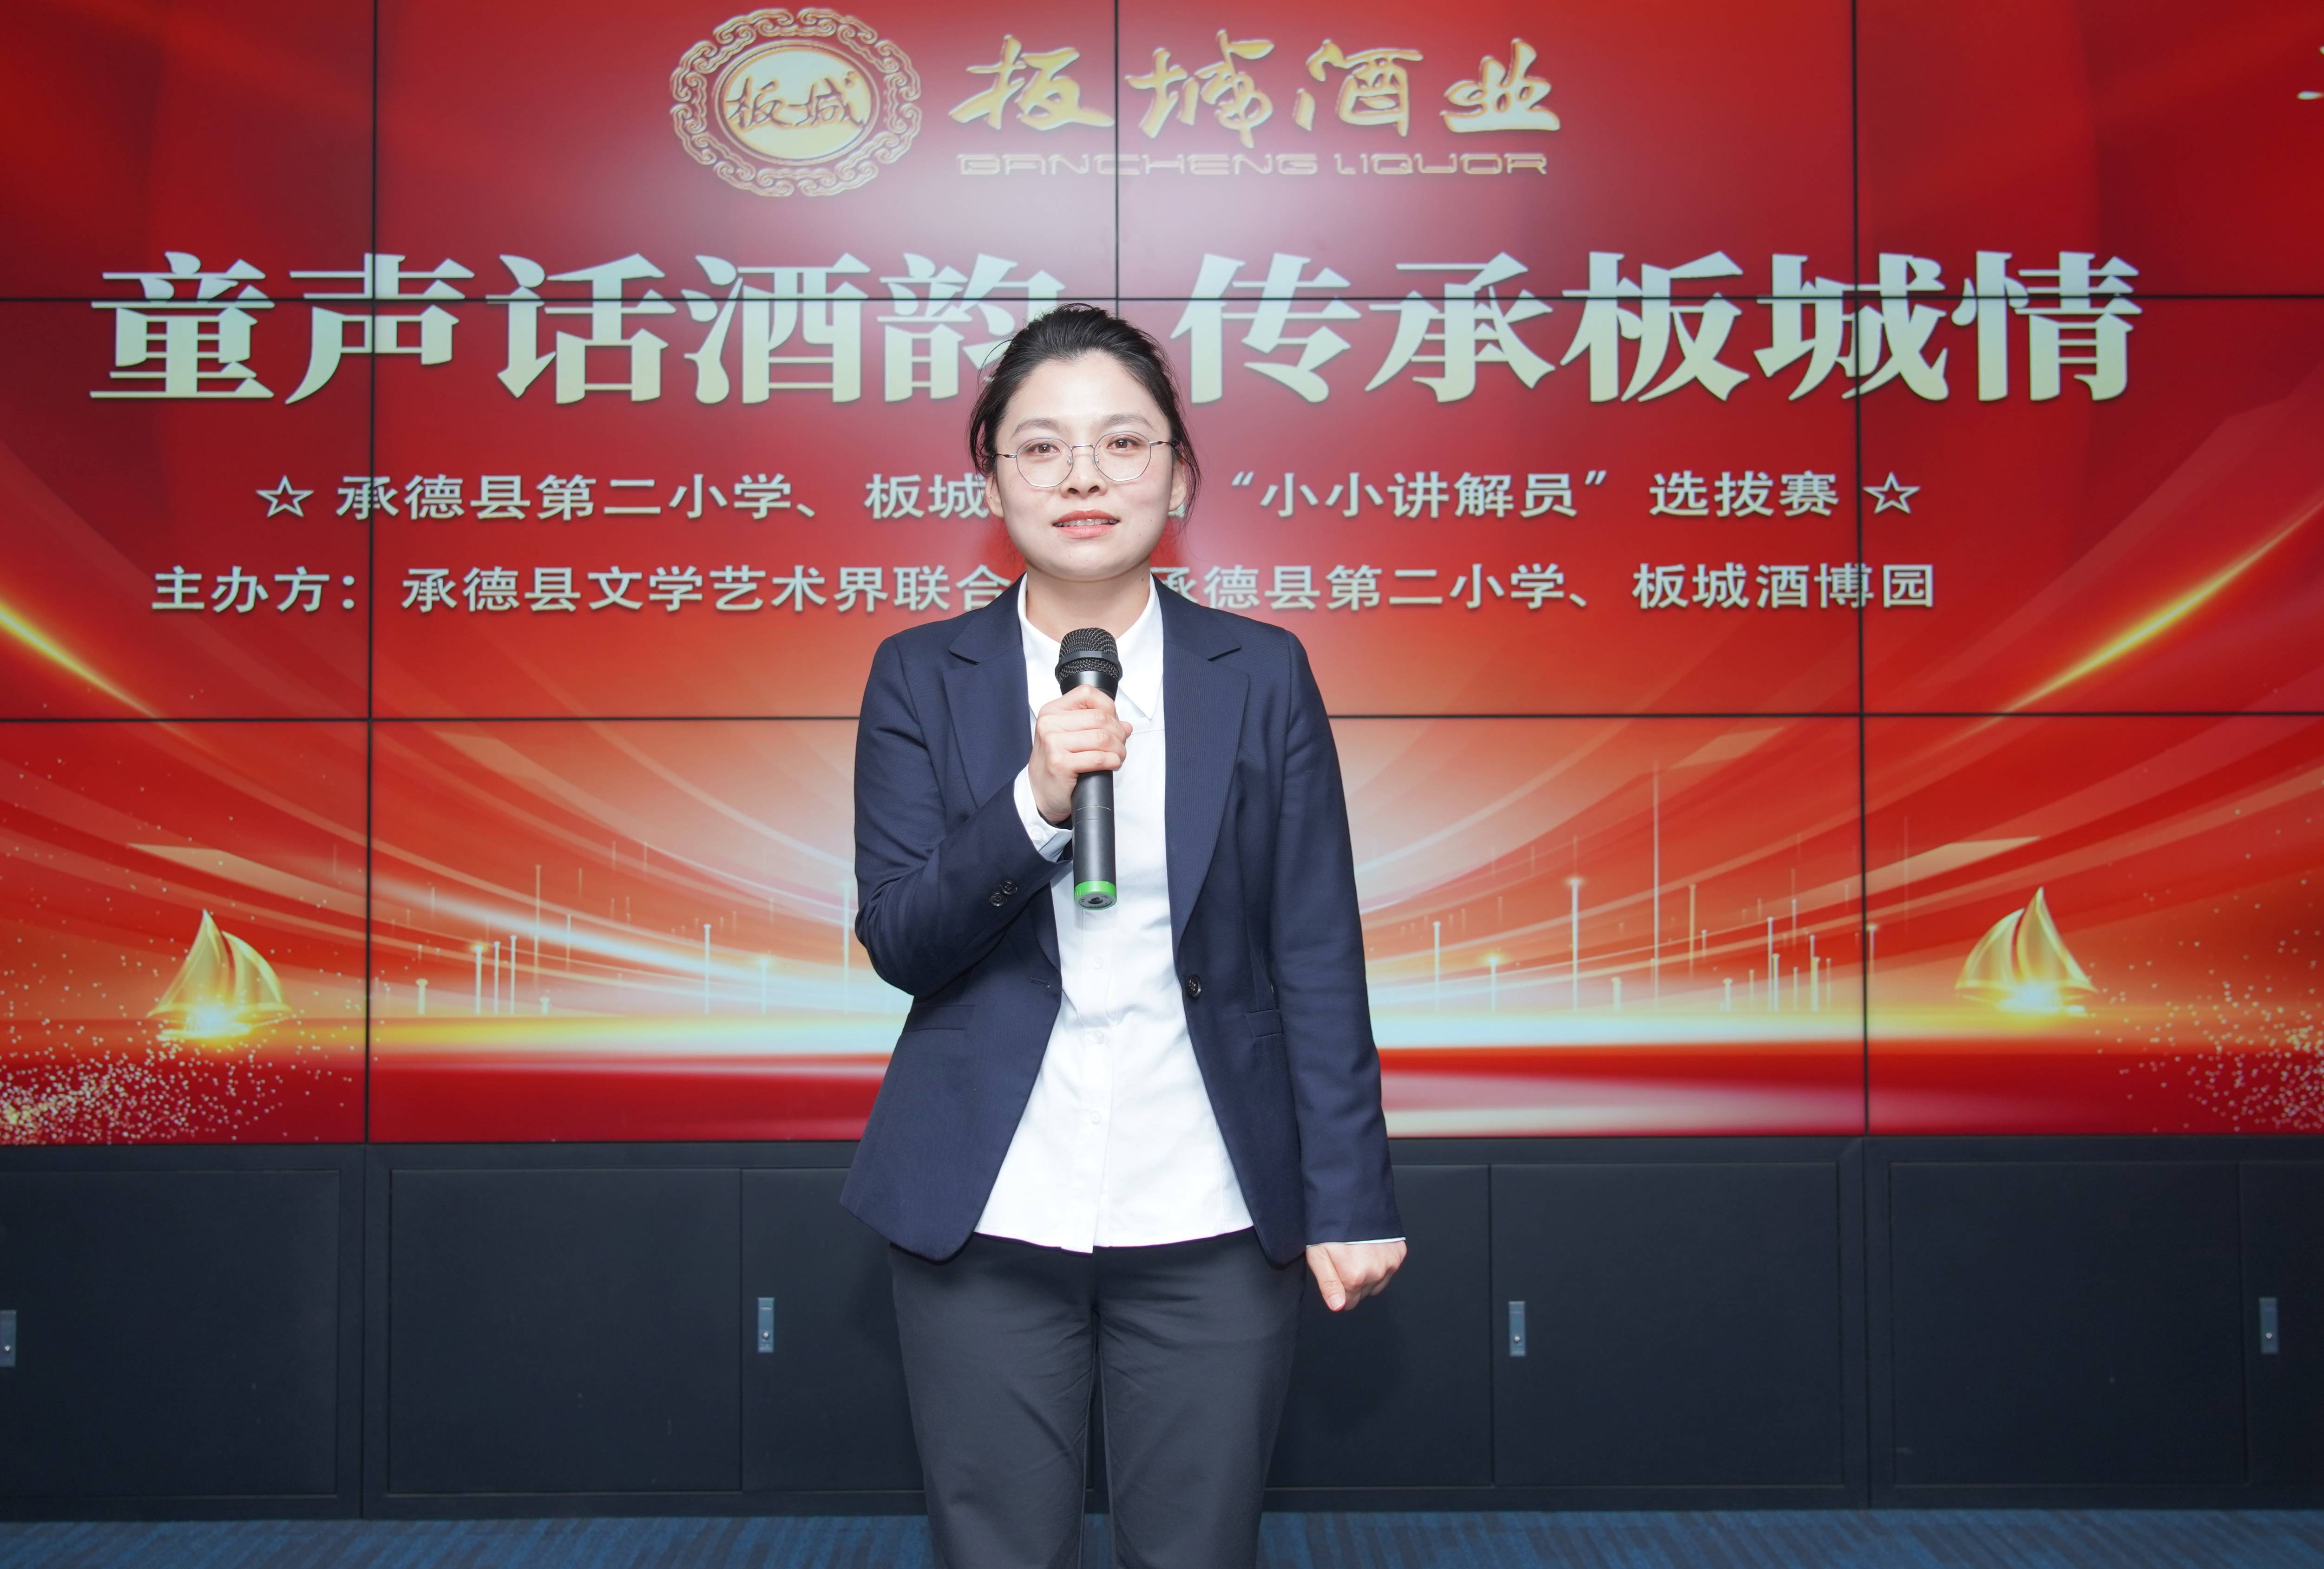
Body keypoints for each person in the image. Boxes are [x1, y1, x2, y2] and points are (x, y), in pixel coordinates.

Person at [841, 302, 1404, 1569]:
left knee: (1198, 1548)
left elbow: (1315, 948)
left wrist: (1353, 1194)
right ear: (992, 480)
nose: (1082, 477)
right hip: (985, 1201)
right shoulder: (920, 676)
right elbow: (903, 939)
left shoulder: (1260, 671)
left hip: (1210, 1196)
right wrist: (1035, 804)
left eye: (1123, 442)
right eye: (1041, 447)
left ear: (1180, 474)